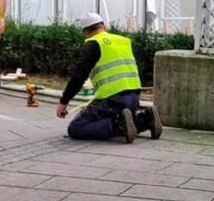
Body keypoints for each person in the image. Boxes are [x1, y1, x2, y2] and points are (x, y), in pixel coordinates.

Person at [56, 13, 162, 143]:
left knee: (76, 128)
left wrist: (63, 102)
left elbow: (78, 76)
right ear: (104, 26)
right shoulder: (124, 41)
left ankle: (118, 124)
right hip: (134, 98)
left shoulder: (93, 44)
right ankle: (146, 119)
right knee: (122, 118)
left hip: (111, 100)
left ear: (85, 32)